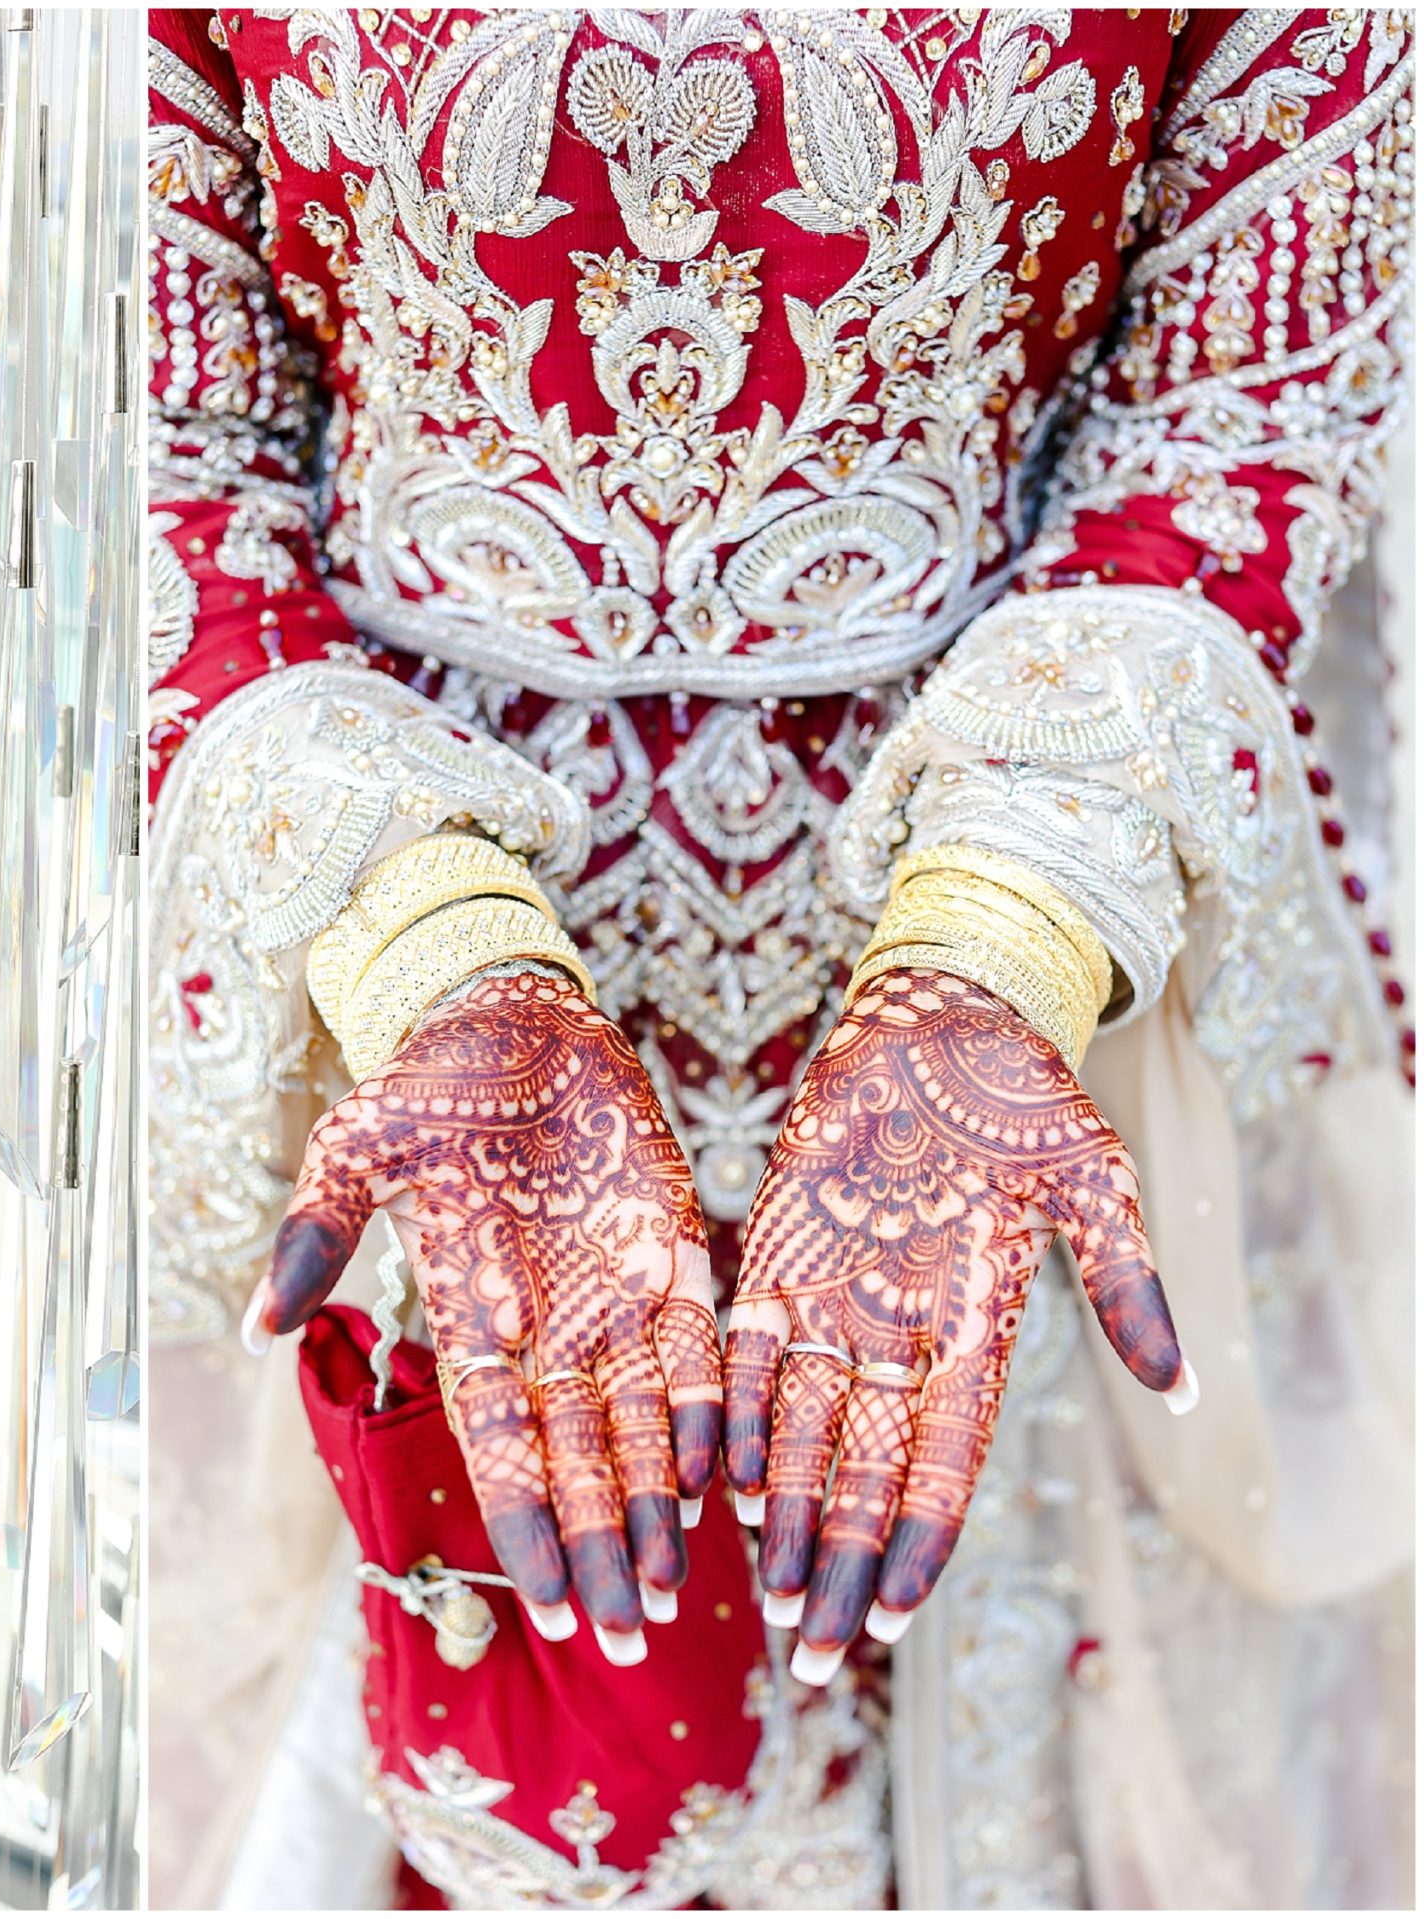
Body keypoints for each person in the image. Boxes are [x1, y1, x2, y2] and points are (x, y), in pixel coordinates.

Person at [146, 8, 1413, 1910]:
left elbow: (1244, 402)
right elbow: (156, 427)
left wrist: (990, 957)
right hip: (391, 985)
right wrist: (432, 954)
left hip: (1026, 952)